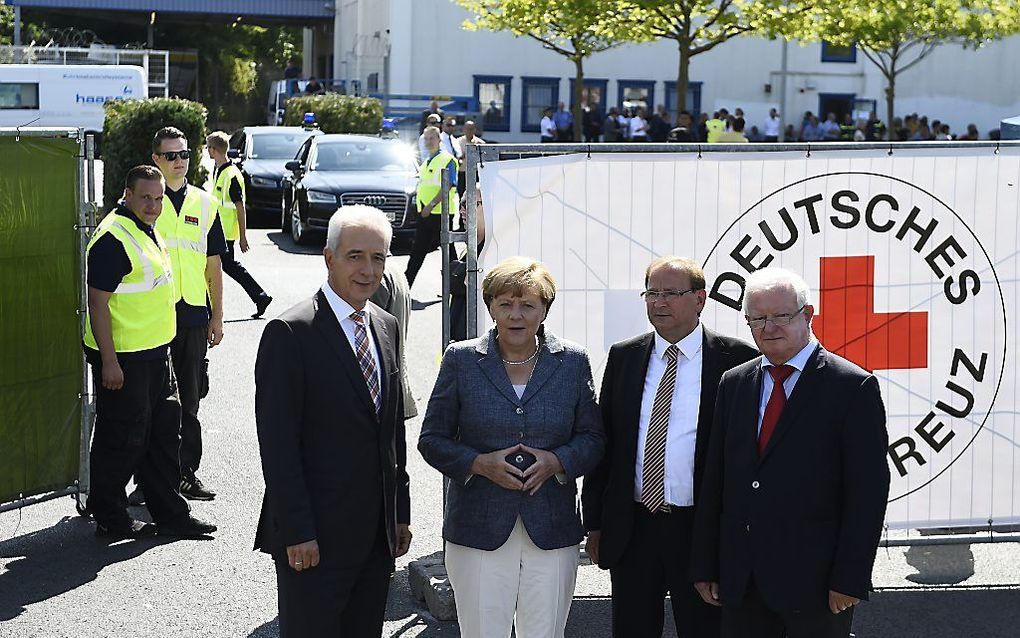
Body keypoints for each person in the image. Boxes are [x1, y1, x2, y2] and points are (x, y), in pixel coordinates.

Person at [691, 267, 890, 638]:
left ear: (808, 314)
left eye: (781, 316)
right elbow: (715, 478)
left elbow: (868, 492)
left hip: (817, 586)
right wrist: (706, 564)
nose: (769, 327)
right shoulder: (734, 383)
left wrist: (850, 577)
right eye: (758, 318)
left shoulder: (851, 386)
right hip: (742, 582)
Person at [419, 256, 604, 638]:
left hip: (551, 530)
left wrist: (557, 461)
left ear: (544, 309)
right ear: (490, 306)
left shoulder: (571, 361)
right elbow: (432, 439)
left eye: (527, 305)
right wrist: (478, 464)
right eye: (505, 304)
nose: (515, 315)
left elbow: (593, 438)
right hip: (478, 528)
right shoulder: (461, 359)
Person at [254, 206, 412, 637]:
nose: (368, 269)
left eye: (378, 258)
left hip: (375, 537)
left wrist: (399, 512)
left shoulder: (386, 325)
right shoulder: (291, 332)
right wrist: (297, 531)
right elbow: (279, 446)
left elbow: (391, 431)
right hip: (314, 541)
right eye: (355, 256)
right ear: (329, 258)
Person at [581, 257, 757, 638]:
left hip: (699, 529)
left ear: (699, 299)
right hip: (635, 526)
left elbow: (745, 459)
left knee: (704, 629)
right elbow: (605, 445)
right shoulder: (625, 356)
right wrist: (594, 522)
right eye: (652, 293)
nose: (659, 303)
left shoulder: (737, 360)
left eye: (670, 294)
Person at [84, 165, 216, 539]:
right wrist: (109, 361)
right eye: (145, 197)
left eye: (158, 198)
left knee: (162, 435)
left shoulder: (144, 227)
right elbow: (97, 304)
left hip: (156, 352)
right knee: (123, 437)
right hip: (124, 357)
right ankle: (110, 516)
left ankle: (172, 515)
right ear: (126, 194)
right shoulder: (112, 237)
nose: (154, 205)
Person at [147, 127, 225, 503]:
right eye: (171, 156)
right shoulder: (145, 202)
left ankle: (185, 474)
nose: (180, 161)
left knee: (190, 401)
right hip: (152, 318)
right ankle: (148, 482)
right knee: (151, 402)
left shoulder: (205, 203)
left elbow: (214, 266)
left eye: (184, 155)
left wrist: (218, 316)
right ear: (156, 161)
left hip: (193, 314)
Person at [206, 132, 272, 319]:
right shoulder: (218, 169)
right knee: (225, 266)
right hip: (217, 229)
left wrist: (243, 236)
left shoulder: (232, 175)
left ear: (213, 150)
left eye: (208, 147)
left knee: (222, 266)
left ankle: (259, 297)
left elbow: (240, 208)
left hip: (225, 232)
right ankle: (260, 297)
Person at [405, 125, 457, 288]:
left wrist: (431, 204)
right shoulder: (427, 161)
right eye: (426, 138)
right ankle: (405, 287)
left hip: (441, 213)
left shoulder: (447, 159)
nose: (428, 141)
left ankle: (457, 287)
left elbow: (447, 185)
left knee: (448, 253)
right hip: (426, 213)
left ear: (439, 140)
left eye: (432, 138)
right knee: (418, 251)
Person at [370, 261, 418, 419]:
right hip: (394, 387)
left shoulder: (376, 275)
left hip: (382, 392)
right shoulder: (395, 270)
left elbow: (369, 335)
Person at [455, 120, 485, 199]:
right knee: (461, 195)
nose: (469, 131)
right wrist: (465, 154)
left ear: (475, 130)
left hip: (475, 173)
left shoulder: (480, 143)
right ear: (464, 130)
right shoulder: (457, 142)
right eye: (467, 129)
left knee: (475, 195)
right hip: (462, 173)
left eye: (471, 129)